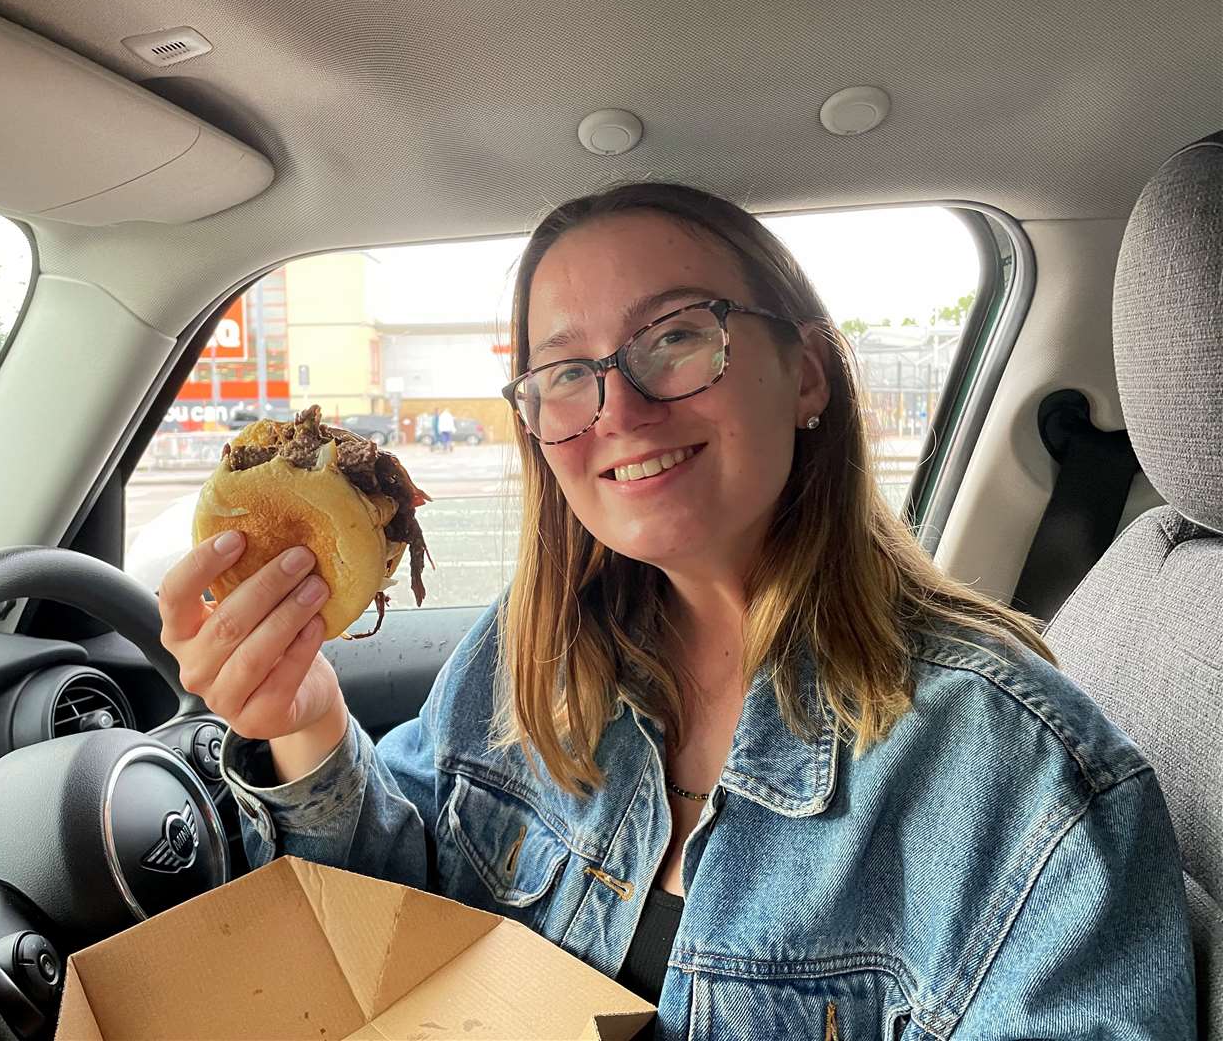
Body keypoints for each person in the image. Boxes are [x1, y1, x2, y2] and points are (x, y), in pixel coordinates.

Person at [159, 183, 1196, 1039]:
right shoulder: (530, 654)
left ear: (806, 376)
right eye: (566, 372)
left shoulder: (1022, 778)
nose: (619, 408)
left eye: (675, 337)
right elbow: (397, 930)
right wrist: (301, 718)